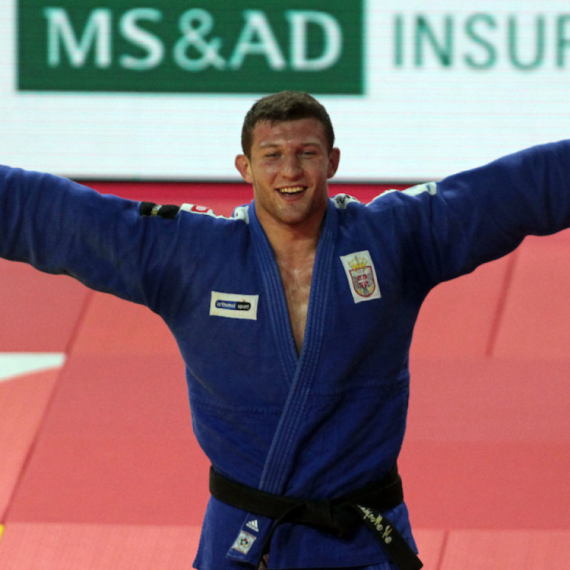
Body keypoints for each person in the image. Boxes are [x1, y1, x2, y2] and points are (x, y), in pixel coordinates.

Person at [1, 91, 570, 570]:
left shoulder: (392, 240)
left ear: (333, 161)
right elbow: (60, 217)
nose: (290, 172)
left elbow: (512, 192)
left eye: (306, 154)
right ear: (244, 168)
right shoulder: (193, 256)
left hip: (363, 537)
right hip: (246, 542)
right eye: (272, 156)